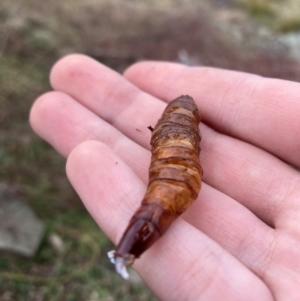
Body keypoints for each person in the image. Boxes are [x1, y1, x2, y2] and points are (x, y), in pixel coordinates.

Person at [30, 54, 300, 301]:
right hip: (174, 173)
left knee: (159, 203)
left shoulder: (180, 137)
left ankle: (129, 250)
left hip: (176, 174)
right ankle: (129, 250)